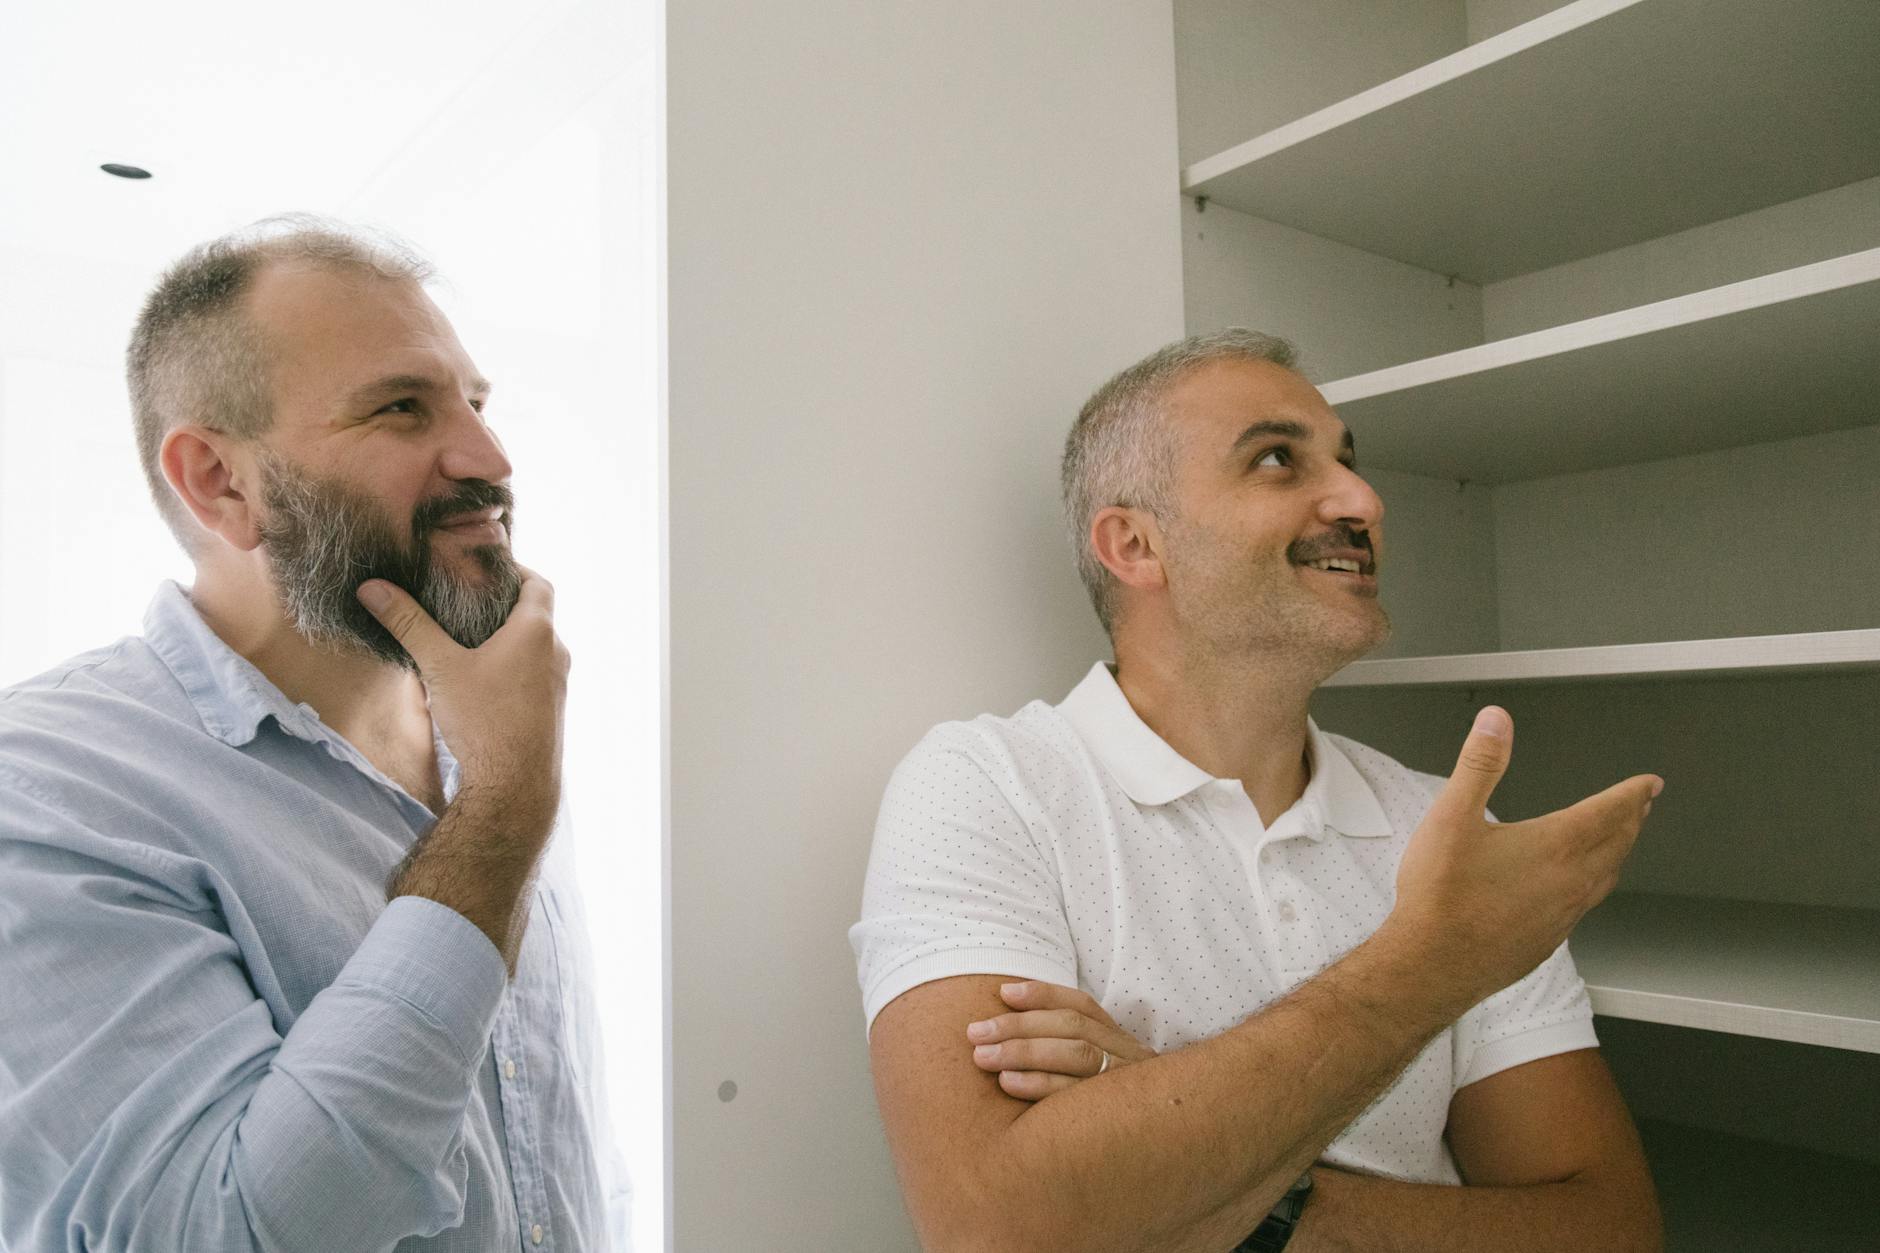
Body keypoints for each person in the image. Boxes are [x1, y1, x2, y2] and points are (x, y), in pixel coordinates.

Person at [852, 330, 1665, 1251]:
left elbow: (1609, 1230)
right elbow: (997, 1229)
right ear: (1134, 544)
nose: (1363, 500)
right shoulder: (987, 790)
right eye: (1278, 459)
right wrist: (1430, 964)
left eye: (1349, 462)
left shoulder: (1447, 832)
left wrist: (1190, 1163)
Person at [0, 218, 629, 1251]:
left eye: (473, 401)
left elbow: (554, 1180)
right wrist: (506, 809)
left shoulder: (495, 742)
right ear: (219, 480)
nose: (490, 457)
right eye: (400, 407)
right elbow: (224, 1230)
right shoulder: (47, 791)